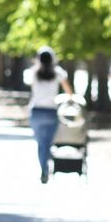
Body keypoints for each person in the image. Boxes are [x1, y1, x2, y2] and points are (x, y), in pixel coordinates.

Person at [24, 47, 73, 183]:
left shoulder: (32, 73)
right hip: (51, 112)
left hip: (36, 112)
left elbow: (28, 84)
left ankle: (44, 168)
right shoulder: (58, 73)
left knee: (41, 143)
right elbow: (68, 91)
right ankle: (45, 167)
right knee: (47, 143)